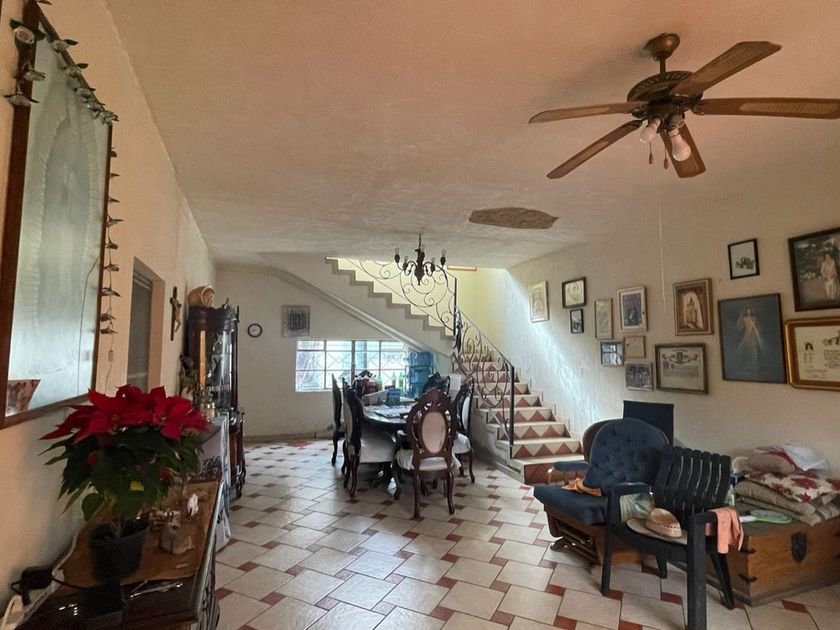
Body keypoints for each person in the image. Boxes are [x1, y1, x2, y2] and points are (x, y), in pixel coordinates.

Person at [737, 306, 764, 373]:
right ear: (746, 311)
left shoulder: (754, 318)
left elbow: (759, 327)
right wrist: (740, 319)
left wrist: (755, 326)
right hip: (747, 336)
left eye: (749, 310)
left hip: (753, 336)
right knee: (748, 350)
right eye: (747, 310)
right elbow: (740, 328)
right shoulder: (744, 319)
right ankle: (748, 365)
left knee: (754, 351)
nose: (749, 312)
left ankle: (755, 365)